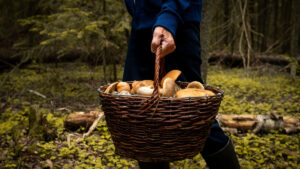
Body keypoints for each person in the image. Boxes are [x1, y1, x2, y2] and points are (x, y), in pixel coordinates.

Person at [122, 1, 240, 168]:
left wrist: (169, 18)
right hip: (141, 28)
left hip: (177, 27)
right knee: (144, 119)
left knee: (197, 115)